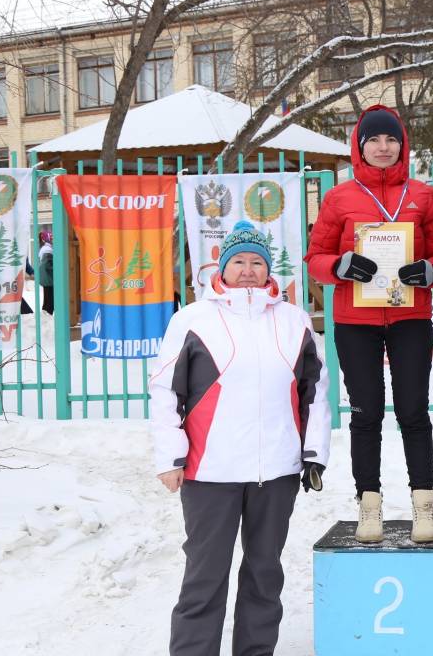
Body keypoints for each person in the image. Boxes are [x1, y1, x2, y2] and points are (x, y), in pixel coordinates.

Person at [150, 220, 331, 656]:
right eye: (238, 262)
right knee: (205, 576)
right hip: (211, 469)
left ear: (268, 269)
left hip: (278, 469)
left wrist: (313, 453)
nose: (248, 270)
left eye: (256, 262)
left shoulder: (293, 320)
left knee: (264, 573)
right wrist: (171, 457)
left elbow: (316, 389)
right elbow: (165, 390)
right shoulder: (193, 320)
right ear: (222, 267)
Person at [306, 105, 433, 543]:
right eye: (374, 140)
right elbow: (315, 259)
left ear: (402, 144)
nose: (383, 147)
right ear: (360, 146)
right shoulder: (339, 197)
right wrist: (341, 265)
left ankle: (424, 503)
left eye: (391, 139)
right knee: (366, 413)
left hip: (410, 316)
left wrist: (430, 271)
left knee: (413, 411)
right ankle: (368, 505)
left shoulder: (423, 196)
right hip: (356, 320)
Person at [37, 230, 54, 315]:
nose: (53, 239)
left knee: (47, 299)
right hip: (49, 279)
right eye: (51, 237)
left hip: (46, 279)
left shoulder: (44, 248)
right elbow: (48, 265)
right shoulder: (48, 250)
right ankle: (47, 317)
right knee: (50, 301)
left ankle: (45, 316)